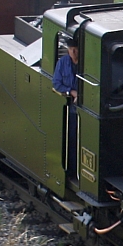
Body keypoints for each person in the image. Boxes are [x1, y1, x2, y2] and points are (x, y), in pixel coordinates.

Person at [53, 36, 79, 178]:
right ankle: (71, 170)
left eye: (76, 49)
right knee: (71, 137)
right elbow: (57, 83)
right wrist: (71, 92)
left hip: (84, 105)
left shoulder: (85, 64)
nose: (73, 52)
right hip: (70, 106)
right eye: (71, 49)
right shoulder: (62, 63)